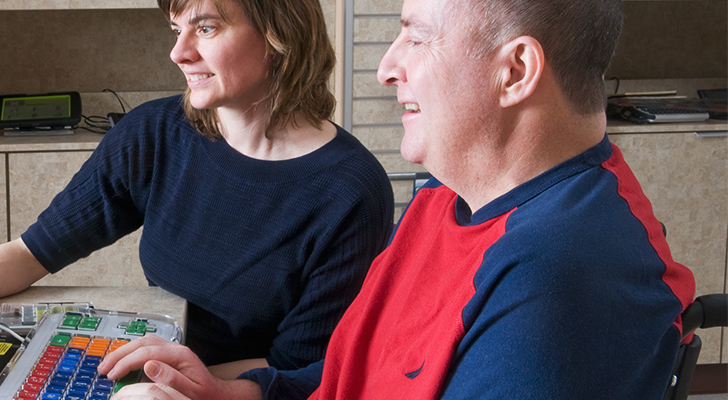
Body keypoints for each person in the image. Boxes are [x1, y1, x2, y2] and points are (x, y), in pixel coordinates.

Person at [98, 0, 698, 398]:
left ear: (515, 72)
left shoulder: (559, 280)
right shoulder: (449, 195)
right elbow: (377, 370)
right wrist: (235, 391)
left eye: (418, 38)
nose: (388, 66)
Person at [0, 0, 394, 379]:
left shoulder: (348, 191)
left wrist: (170, 380)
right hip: (159, 370)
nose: (179, 53)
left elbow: (300, 375)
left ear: (279, 35)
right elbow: (33, 252)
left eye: (208, 26)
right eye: (178, 29)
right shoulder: (156, 133)